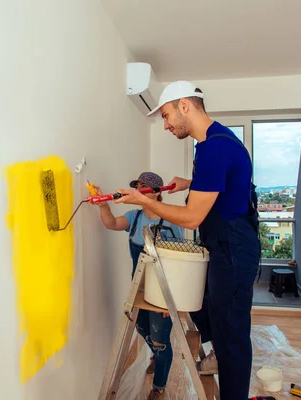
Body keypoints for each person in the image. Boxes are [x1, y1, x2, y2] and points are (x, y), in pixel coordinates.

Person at [113, 81, 261, 400]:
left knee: (232, 335)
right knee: (204, 306)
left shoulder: (214, 148)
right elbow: (226, 183)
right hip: (224, 244)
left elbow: (192, 218)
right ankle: (218, 353)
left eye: (166, 116)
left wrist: (145, 201)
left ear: (185, 105)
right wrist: (189, 183)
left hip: (233, 249)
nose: (165, 125)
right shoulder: (215, 141)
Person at [94, 171, 185, 400]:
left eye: (144, 186)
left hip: (163, 292)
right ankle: (157, 355)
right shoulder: (134, 217)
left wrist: (169, 302)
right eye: (137, 186)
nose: (138, 190)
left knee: (160, 340)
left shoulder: (172, 221)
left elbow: (180, 263)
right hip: (140, 289)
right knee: (141, 327)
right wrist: (103, 205)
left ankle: (159, 387)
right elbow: (112, 223)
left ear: (156, 192)